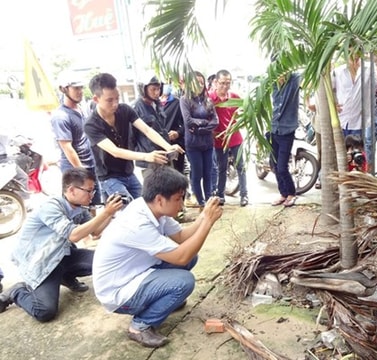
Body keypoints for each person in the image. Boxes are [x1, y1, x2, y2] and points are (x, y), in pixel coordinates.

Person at [92, 166, 223, 348]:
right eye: (178, 199)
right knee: (184, 281)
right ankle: (139, 327)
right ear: (160, 199)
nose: (182, 204)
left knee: (192, 257)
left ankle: (163, 300)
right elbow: (181, 257)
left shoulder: (151, 208)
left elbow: (182, 237)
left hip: (136, 274)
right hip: (118, 292)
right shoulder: (137, 224)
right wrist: (208, 222)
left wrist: (203, 216)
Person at [0, 167, 123, 321]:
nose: (92, 195)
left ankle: (65, 276)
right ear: (71, 190)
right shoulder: (51, 206)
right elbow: (74, 235)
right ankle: (16, 291)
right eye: (89, 191)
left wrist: (110, 213)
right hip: (41, 264)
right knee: (45, 311)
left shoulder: (79, 208)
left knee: (106, 261)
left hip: (61, 256)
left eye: (93, 191)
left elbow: (95, 232)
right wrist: (105, 213)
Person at [84, 73, 183, 201]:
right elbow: (115, 151)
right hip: (109, 177)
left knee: (145, 207)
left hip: (128, 172)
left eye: (117, 98)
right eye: (109, 100)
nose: (115, 104)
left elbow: (147, 130)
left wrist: (168, 147)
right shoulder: (91, 124)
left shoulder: (124, 109)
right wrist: (146, 156)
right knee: (129, 210)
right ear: (96, 99)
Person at [50, 71, 101, 207]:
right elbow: (67, 147)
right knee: (76, 209)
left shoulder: (82, 109)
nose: (80, 91)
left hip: (90, 165)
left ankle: (94, 228)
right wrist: (82, 172)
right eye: (75, 88)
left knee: (93, 205)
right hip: (75, 170)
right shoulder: (61, 116)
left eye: (81, 88)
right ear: (64, 89)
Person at [209, 69, 249, 207]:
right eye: (222, 83)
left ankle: (244, 195)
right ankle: (220, 195)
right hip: (219, 140)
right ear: (216, 82)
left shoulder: (234, 97)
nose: (225, 86)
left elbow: (244, 112)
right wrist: (211, 132)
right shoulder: (210, 99)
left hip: (235, 138)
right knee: (221, 168)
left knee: (241, 167)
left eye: (228, 83)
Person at [179, 71, 219, 206]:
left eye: (202, 82)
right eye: (197, 82)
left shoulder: (208, 101)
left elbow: (215, 121)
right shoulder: (184, 100)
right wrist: (204, 123)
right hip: (193, 144)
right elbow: (188, 121)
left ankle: (208, 200)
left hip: (207, 143)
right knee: (197, 174)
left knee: (208, 173)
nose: (200, 85)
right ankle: (200, 201)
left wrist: (201, 128)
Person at [132, 74, 174, 174]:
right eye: (153, 89)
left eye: (159, 89)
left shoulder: (157, 104)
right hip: (149, 161)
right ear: (143, 89)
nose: (157, 92)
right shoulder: (136, 108)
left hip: (164, 154)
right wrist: (143, 153)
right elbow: (131, 137)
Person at [270, 71, 300, 207]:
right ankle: (283, 193)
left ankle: (292, 194)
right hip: (273, 128)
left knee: (282, 167)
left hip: (287, 130)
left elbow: (304, 77)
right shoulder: (272, 84)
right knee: (274, 165)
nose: (280, 74)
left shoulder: (294, 80)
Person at [160, 84, 186, 175]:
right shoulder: (153, 105)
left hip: (175, 143)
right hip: (159, 146)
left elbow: (186, 123)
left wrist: (178, 133)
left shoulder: (177, 102)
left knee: (178, 174)